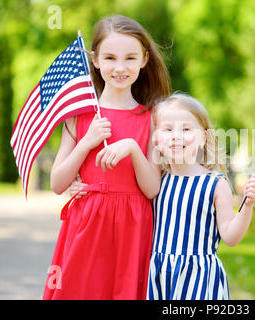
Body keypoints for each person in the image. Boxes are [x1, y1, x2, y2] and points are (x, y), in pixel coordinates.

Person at [43, 14, 170, 300]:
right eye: (110, 58)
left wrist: (133, 148)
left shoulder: (151, 118)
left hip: (133, 227)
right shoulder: (80, 117)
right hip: (87, 224)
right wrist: (86, 143)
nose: (120, 67)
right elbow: (57, 182)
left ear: (145, 59)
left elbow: (152, 189)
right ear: (96, 60)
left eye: (130, 58)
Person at [146, 93, 255, 300]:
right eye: (168, 129)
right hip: (159, 276)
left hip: (198, 281)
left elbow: (230, 237)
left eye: (187, 129)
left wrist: (248, 205)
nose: (176, 136)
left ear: (203, 138)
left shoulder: (215, 184)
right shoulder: (156, 182)